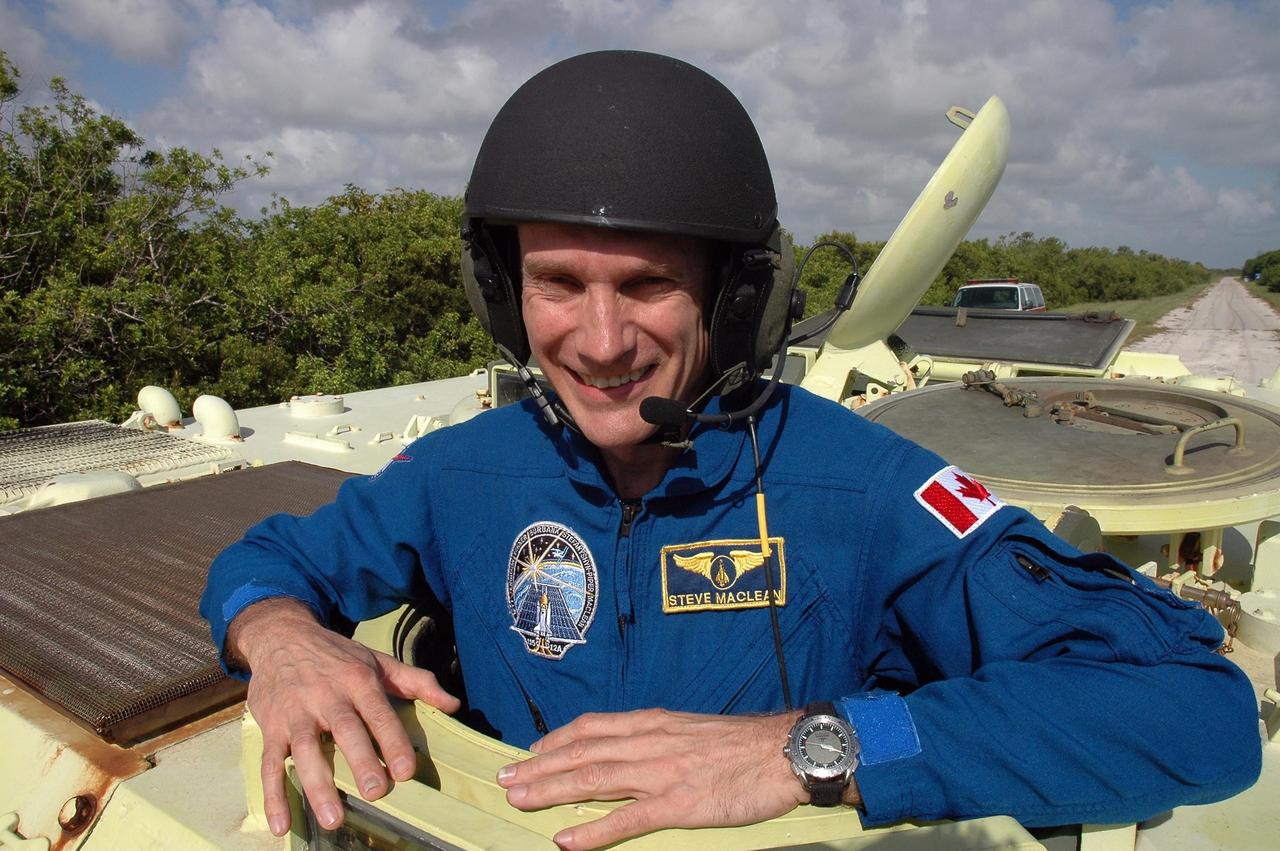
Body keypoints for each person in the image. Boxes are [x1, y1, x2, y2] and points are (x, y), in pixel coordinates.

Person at [201, 50, 1261, 850]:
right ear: (502, 294)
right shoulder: (460, 469)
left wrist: (817, 745)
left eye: (649, 284)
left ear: (736, 299)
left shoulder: (864, 486)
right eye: (558, 283)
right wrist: (279, 635)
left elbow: (1196, 710)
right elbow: (273, 559)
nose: (602, 340)